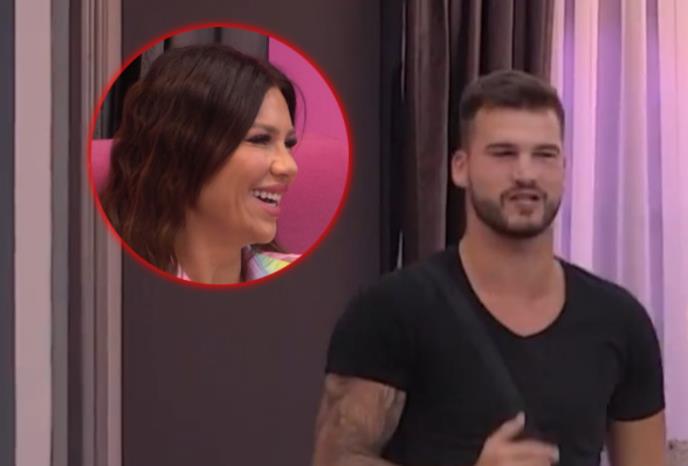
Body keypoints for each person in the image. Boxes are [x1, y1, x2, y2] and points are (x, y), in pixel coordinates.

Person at [313, 70, 666, 466]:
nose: (526, 174)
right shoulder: (389, 311)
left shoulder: (620, 321)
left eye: (544, 155)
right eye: (503, 153)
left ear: (564, 169)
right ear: (460, 168)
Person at [101, 44, 299, 284]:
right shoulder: (103, 288)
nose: (289, 167)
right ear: (178, 151)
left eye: (288, 143)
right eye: (260, 139)